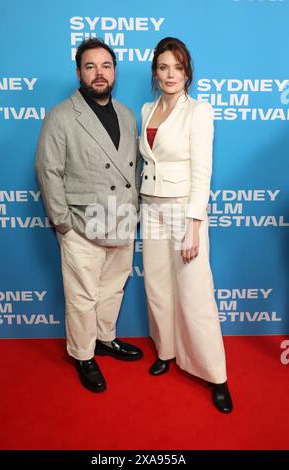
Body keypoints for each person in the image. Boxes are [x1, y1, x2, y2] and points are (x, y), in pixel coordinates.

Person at [35, 38, 143, 393]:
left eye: (106, 66)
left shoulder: (127, 114)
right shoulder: (62, 115)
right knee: (82, 296)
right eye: (91, 66)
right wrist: (62, 222)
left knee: (112, 289)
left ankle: (104, 339)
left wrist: (136, 212)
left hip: (122, 221)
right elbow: (49, 170)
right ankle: (83, 354)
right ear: (79, 72)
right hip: (81, 224)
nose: (100, 73)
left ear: (114, 72)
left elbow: (137, 168)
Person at [139, 37, 233, 413]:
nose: (170, 74)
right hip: (150, 208)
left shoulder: (199, 111)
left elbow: (202, 173)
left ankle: (216, 376)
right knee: (158, 286)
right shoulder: (147, 109)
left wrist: (194, 223)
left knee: (195, 292)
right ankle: (167, 351)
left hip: (183, 211)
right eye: (163, 67)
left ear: (187, 72)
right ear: (155, 73)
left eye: (177, 67)